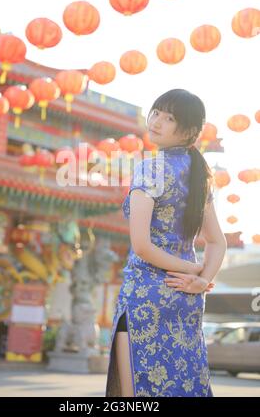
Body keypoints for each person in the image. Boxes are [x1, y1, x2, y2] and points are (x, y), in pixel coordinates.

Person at [105, 89, 227, 397]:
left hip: (144, 297)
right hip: (185, 295)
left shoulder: (150, 168)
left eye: (169, 118)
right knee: (184, 385)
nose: (157, 121)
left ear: (188, 131)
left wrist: (196, 271)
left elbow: (142, 246)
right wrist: (201, 278)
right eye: (156, 112)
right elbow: (217, 242)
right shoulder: (200, 177)